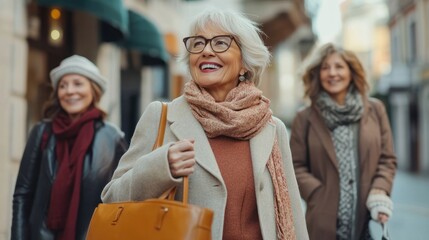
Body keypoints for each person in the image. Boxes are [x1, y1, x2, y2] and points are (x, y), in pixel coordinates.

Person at [101, 9, 308, 240]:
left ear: (244, 64)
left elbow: (293, 213)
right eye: (198, 43)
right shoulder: (161, 116)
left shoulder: (270, 127)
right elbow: (112, 198)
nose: (206, 51)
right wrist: (161, 167)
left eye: (220, 43)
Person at [12, 55, 128, 240]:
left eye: (77, 83)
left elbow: (121, 200)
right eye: (63, 85)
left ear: (93, 89)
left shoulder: (113, 138)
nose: (69, 91)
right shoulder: (42, 132)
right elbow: (22, 195)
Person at [289, 43, 397, 240]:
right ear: (317, 74)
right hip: (322, 221)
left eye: (339, 66)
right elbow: (294, 165)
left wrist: (379, 191)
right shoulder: (304, 118)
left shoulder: (375, 109)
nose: (332, 73)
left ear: (351, 71)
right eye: (325, 67)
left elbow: (387, 159)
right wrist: (317, 194)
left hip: (367, 219)